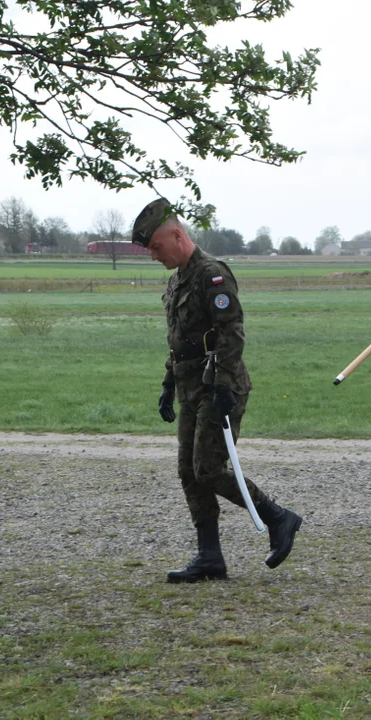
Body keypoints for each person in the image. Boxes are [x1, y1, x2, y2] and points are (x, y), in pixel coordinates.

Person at [132, 198, 303, 583]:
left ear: (177, 235)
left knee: (208, 468)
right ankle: (210, 556)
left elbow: (232, 334)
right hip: (189, 388)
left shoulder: (212, 275)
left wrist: (224, 386)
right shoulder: (177, 280)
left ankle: (278, 517)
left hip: (219, 387)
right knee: (189, 473)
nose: (154, 256)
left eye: (157, 247)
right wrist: (167, 382)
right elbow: (180, 340)